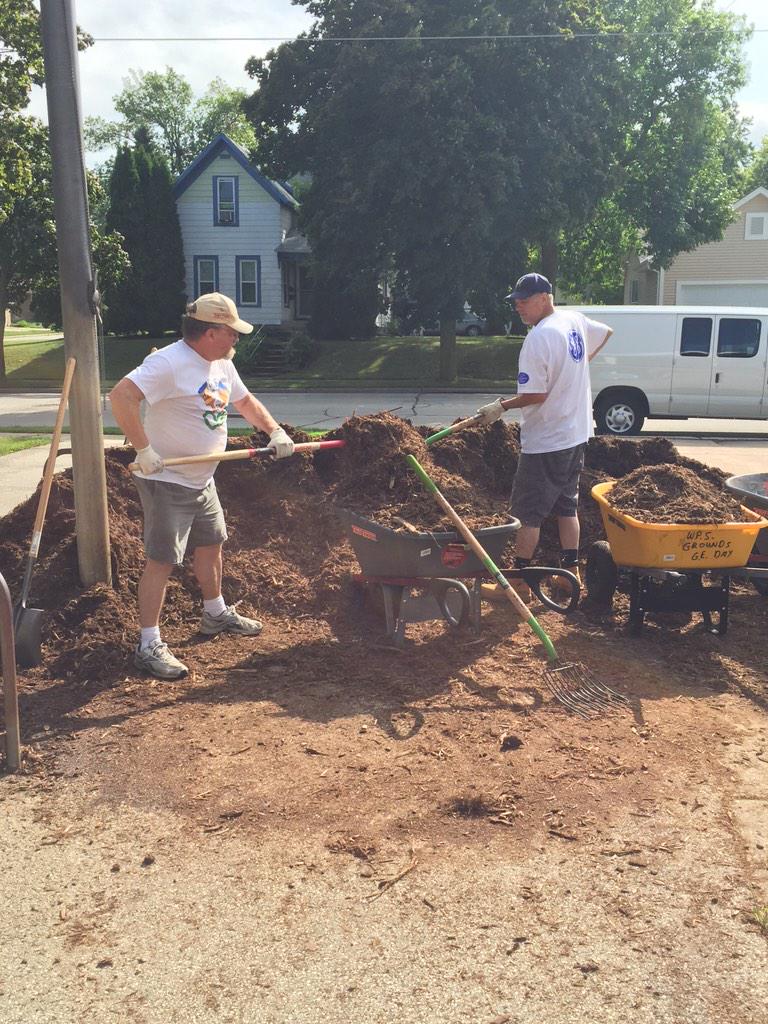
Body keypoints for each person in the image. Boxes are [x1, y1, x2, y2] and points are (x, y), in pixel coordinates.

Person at [108, 292, 295, 680]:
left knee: (212, 544)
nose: (236, 340)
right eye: (232, 333)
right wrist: (143, 449)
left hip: (201, 479)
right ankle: (148, 643)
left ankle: (214, 614)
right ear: (210, 332)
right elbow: (121, 396)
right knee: (162, 561)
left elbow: (244, 403)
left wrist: (274, 430)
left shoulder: (220, 364)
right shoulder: (169, 362)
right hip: (166, 479)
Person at [474, 273, 613, 601]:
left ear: (544, 297)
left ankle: (520, 583)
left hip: (548, 440)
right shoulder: (573, 319)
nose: (518, 305)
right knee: (567, 507)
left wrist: (501, 406)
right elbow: (606, 332)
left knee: (527, 512)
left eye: (525, 299)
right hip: (577, 433)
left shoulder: (538, 338)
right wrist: (576, 369)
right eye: (516, 300)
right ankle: (570, 576)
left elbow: (534, 394)